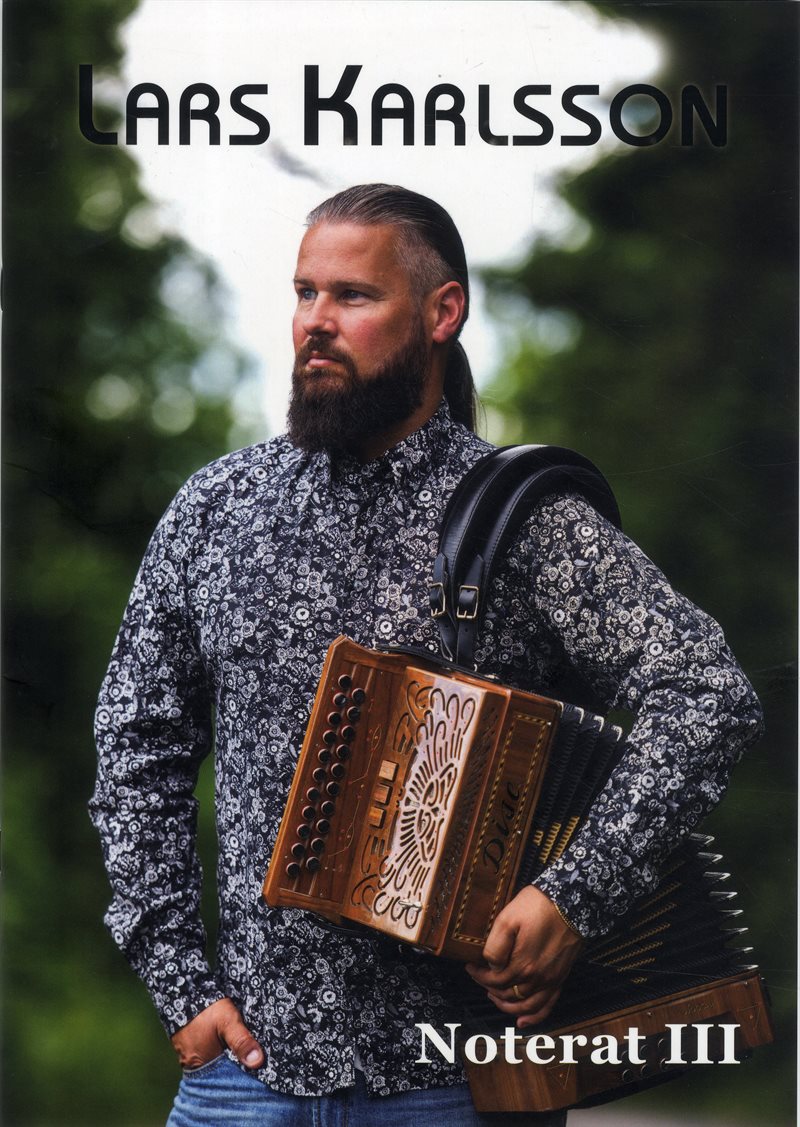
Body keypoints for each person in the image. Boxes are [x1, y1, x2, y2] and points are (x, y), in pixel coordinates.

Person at [90, 184, 763, 1126]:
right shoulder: (215, 510)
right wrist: (181, 986)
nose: (316, 322)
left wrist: (573, 897)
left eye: (353, 296)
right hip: (243, 1080)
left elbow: (706, 691)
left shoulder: (522, 521)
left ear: (443, 312)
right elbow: (135, 747)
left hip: (461, 1085)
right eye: (304, 293)